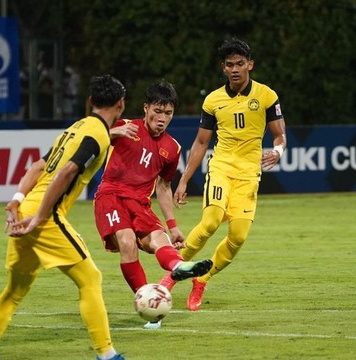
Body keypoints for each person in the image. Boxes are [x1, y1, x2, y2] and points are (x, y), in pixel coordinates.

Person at [0, 75, 127, 360]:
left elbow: (37, 165)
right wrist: (40, 217)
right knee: (90, 278)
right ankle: (107, 354)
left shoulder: (74, 128)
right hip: (45, 216)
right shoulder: (97, 135)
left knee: (14, 291)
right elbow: (66, 171)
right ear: (121, 104)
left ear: (90, 102)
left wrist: (17, 199)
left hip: (27, 208)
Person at [160, 37, 287, 311]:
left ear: (250, 64)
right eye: (230, 65)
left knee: (239, 237)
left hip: (249, 174)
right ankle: (171, 275)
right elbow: (201, 143)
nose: (235, 69)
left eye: (240, 63)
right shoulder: (213, 100)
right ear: (223, 68)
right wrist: (183, 180)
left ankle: (202, 278)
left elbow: (280, 135)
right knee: (210, 222)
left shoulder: (267, 96)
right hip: (221, 167)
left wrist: (278, 152)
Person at [93, 80, 213, 327]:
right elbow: (84, 139)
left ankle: (179, 267)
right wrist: (110, 133)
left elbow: (164, 187)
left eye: (168, 113)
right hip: (111, 196)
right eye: (157, 111)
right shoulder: (125, 127)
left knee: (160, 241)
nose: (162, 118)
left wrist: (173, 225)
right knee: (127, 241)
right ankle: (150, 305)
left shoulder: (172, 148)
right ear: (145, 108)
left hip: (140, 203)